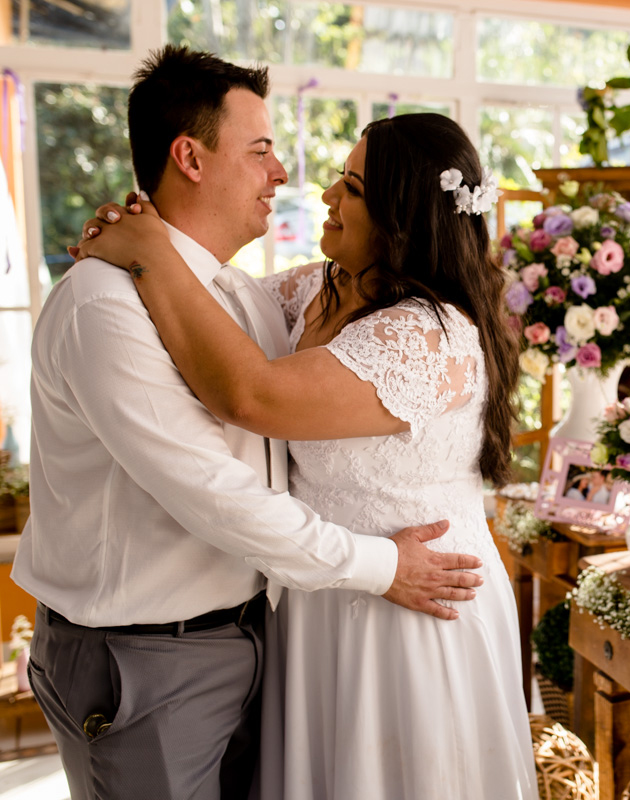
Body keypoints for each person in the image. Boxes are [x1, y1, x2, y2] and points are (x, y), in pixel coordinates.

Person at [22, 47, 484, 800]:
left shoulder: (246, 299)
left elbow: (258, 389)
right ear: (190, 158)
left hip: (265, 636)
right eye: (262, 149)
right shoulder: (104, 304)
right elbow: (214, 490)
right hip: (146, 659)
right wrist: (381, 566)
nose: (286, 175)